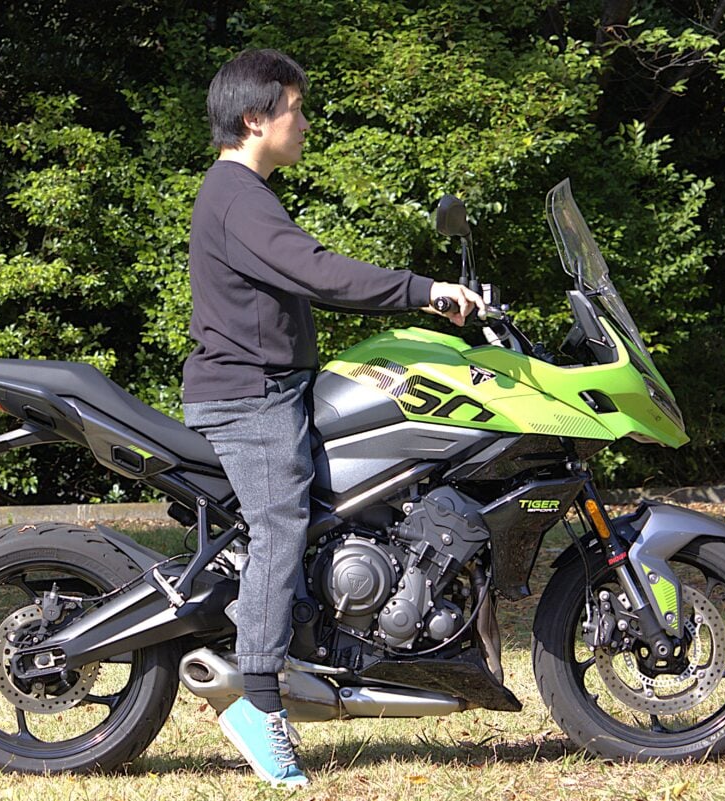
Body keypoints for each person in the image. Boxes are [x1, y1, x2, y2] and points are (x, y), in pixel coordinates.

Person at [181, 48, 483, 787]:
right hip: (249, 397)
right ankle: (258, 701)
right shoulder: (237, 196)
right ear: (256, 118)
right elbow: (316, 270)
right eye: (296, 109)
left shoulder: (243, 193)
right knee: (280, 521)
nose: (305, 123)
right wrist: (422, 291)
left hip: (274, 387)